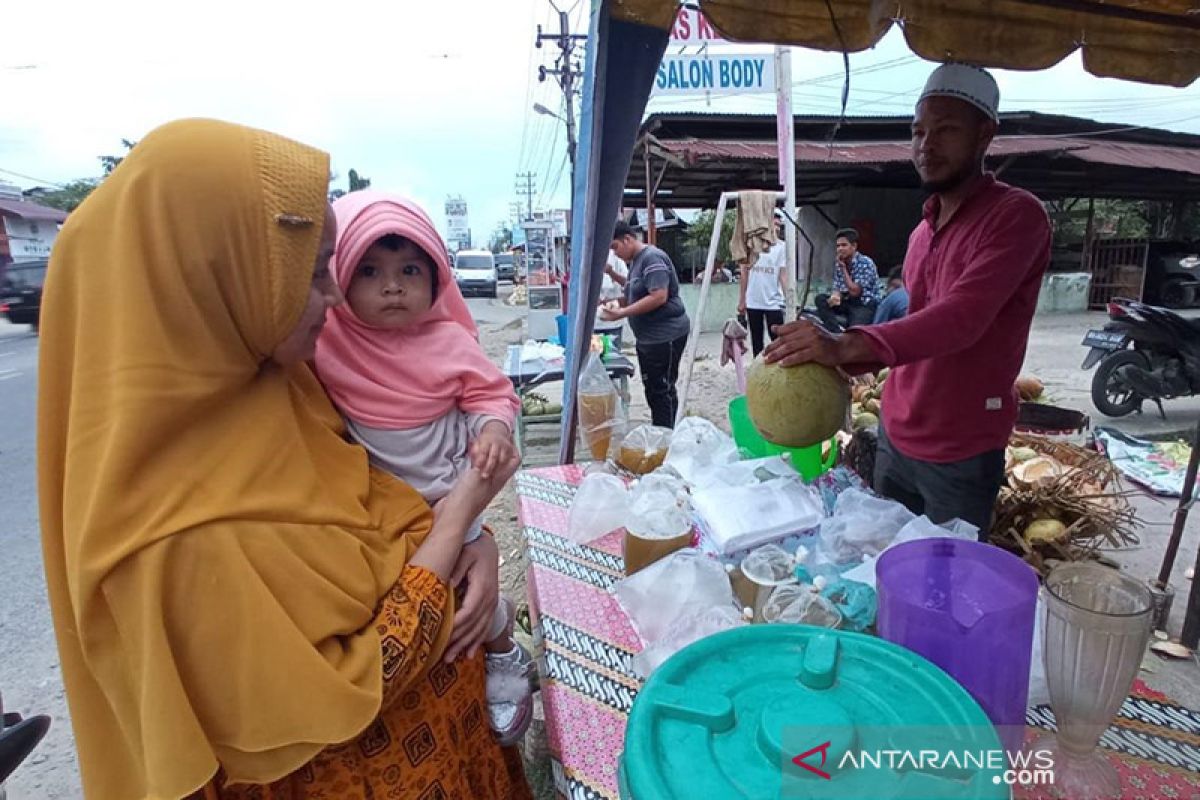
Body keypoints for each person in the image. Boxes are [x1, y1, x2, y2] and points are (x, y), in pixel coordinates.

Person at [37, 119, 531, 799]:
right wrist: (462, 518)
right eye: (310, 273)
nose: (335, 300)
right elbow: (360, 680)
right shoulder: (172, 538)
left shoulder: (284, 385)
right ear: (212, 276)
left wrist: (477, 546)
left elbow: (389, 498)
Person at [765, 63, 1052, 535]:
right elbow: (915, 324)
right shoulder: (922, 231)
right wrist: (836, 361)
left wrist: (846, 344)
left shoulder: (1017, 216)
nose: (926, 145)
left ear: (985, 135)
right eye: (918, 131)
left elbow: (962, 319)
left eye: (946, 130)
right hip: (896, 437)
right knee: (886, 566)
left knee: (944, 590)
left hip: (961, 451)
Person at [313, 191, 533, 746]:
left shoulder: (449, 340)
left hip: (450, 488)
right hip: (385, 507)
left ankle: (503, 645)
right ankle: (496, 631)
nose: (393, 286)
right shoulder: (323, 343)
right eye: (370, 270)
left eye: (410, 270)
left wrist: (492, 430)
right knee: (440, 600)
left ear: (437, 279)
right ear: (339, 277)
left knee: (464, 592)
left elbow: (494, 393)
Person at [601, 220, 691, 428]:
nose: (614, 254)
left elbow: (659, 295)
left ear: (627, 239)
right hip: (649, 338)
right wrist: (608, 305)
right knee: (655, 388)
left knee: (662, 389)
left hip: (665, 335)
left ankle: (665, 436)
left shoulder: (652, 258)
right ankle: (664, 431)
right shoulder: (636, 262)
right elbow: (633, 293)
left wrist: (622, 312)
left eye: (615, 247)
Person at [738, 214, 788, 356]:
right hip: (753, 302)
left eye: (779, 225)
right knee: (757, 341)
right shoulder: (752, 245)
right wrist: (742, 300)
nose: (777, 228)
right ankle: (757, 372)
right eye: (774, 225)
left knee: (777, 339)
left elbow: (783, 275)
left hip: (773, 302)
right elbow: (744, 273)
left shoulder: (781, 247)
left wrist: (790, 300)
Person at [814, 228, 880, 331]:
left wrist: (843, 269)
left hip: (863, 304)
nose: (840, 249)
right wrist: (835, 296)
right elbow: (838, 287)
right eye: (838, 246)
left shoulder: (865, 263)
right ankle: (835, 332)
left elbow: (855, 291)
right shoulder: (840, 263)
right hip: (847, 301)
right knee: (820, 299)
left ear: (854, 246)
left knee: (855, 331)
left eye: (844, 245)